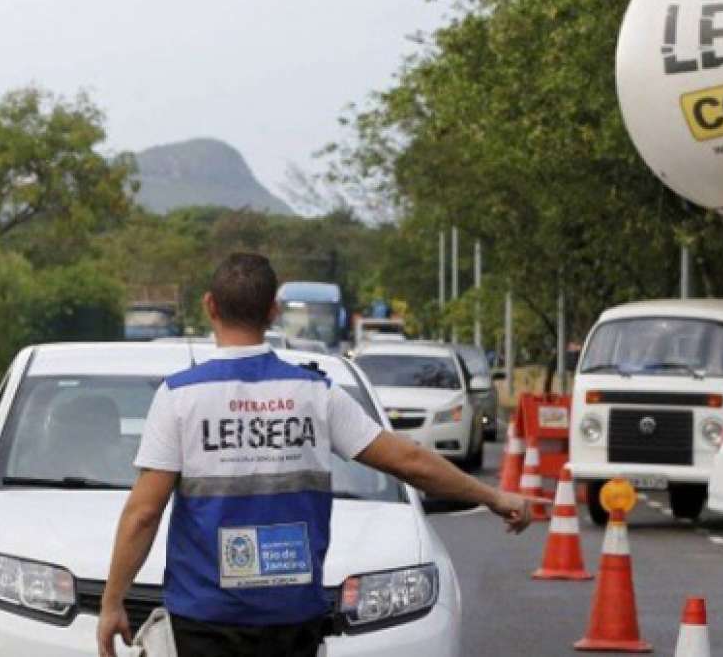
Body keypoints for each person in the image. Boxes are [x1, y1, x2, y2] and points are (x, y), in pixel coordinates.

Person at [98, 253, 537, 657]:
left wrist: (113, 601)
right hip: (292, 618)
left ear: (209, 306)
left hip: (206, 619)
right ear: (272, 310)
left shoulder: (180, 397)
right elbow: (410, 462)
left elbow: (143, 513)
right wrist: (494, 496)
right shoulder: (314, 393)